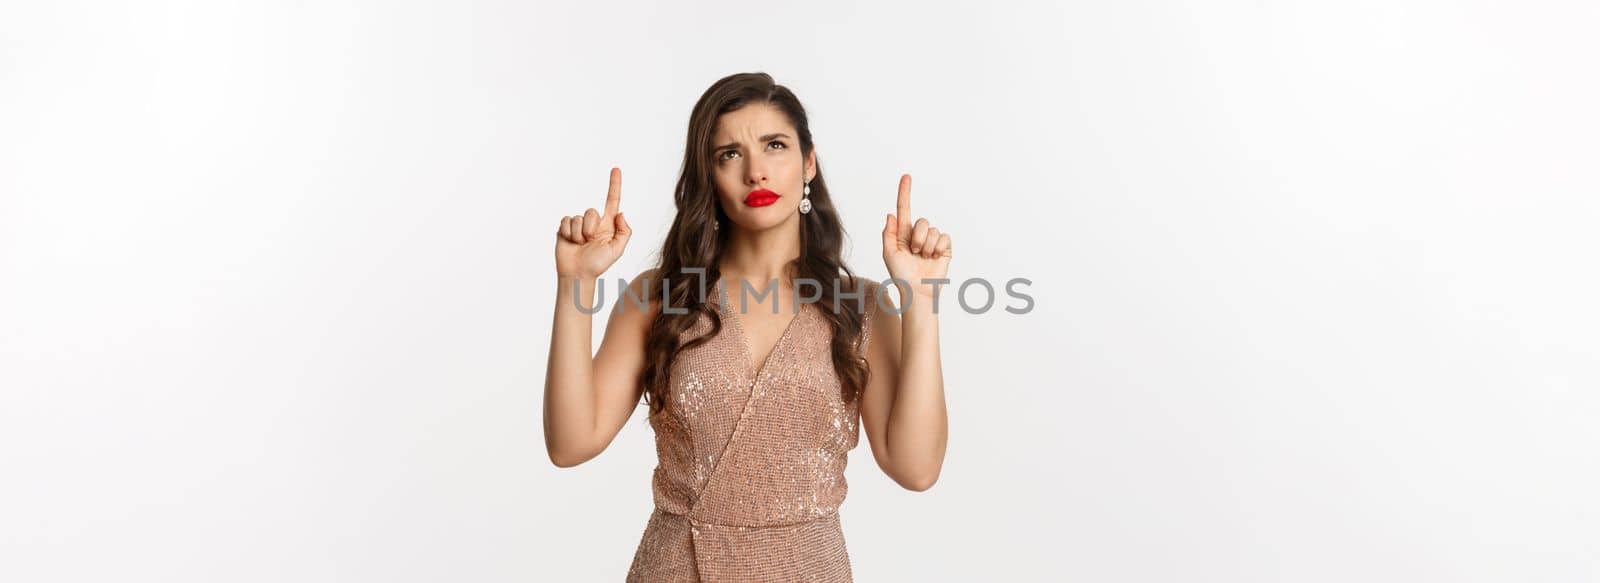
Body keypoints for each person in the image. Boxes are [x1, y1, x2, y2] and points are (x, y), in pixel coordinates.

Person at [543, 72, 951, 582]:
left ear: (808, 162)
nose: (756, 171)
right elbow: (570, 442)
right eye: (729, 154)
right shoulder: (660, 295)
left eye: (774, 145)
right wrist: (574, 284)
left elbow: (916, 469)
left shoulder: (861, 306)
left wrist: (922, 299)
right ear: (708, 175)